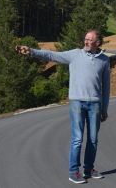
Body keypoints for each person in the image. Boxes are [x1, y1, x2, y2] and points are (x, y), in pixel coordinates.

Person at [15, 30, 110, 184]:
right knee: (78, 139)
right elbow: (52, 55)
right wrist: (31, 51)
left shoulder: (104, 60)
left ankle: (89, 168)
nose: (85, 42)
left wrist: (105, 107)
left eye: (89, 40)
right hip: (77, 103)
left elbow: (106, 87)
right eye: (85, 39)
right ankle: (73, 172)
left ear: (98, 43)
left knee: (93, 139)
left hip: (95, 104)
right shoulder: (75, 54)